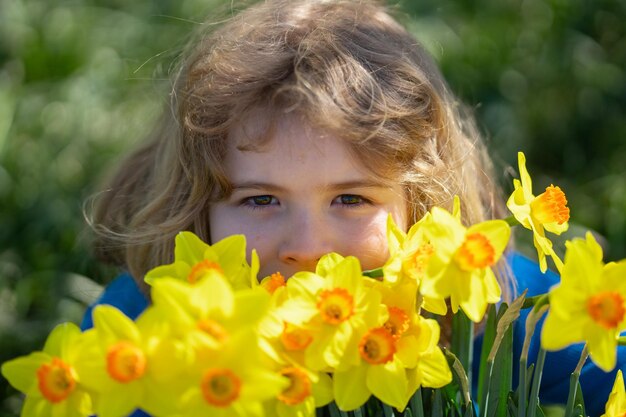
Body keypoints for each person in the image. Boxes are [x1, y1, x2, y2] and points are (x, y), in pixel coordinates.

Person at [81, 0, 622, 415]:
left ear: (423, 204)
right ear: (195, 208)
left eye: (350, 198)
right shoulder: (141, 331)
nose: (308, 248)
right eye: (261, 199)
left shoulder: (496, 309)